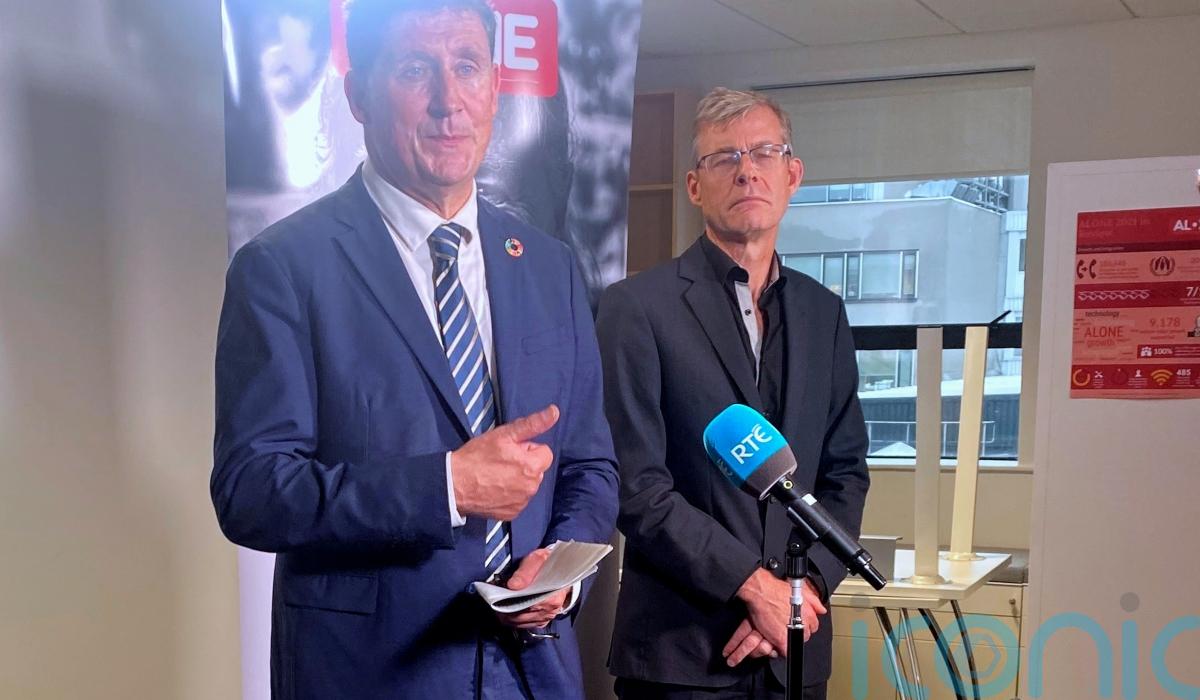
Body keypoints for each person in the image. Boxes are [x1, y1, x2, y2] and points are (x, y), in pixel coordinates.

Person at [211, 1, 618, 697]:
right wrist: (446, 488)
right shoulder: (284, 267)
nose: (448, 101)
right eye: (414, 70)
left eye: (467, 68)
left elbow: (589, 464)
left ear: (495, 88)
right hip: (371, 675)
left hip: (532, 672)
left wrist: (560, 575)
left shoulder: (548, 266)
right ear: (358, 97)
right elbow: (252, 491)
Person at [597, 87, 870, 700]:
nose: (747, 170)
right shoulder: (636, 308)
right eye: (724, 158)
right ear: (696, 187)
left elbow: (846, 472)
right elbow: (635, 486)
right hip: (681, 655)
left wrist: (803, 590)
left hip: (794, 651)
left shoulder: (824, 313)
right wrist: (753, 586)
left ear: (792, 174)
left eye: (764, 152)